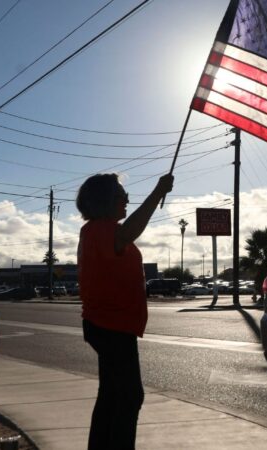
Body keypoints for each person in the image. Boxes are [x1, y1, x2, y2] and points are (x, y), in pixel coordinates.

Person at [76, 173, 173, 449]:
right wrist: (157, 192)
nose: (127, 200)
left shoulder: (98, 230)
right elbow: (128, 233)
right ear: (105, 200)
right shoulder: (101, 229)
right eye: (122, 195)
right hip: (111, 326)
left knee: (112, 395)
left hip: (110, 325)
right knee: (129, 396)